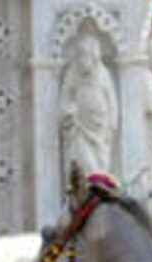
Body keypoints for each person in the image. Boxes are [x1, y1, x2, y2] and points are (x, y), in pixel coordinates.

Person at [59, 30, 118, 174]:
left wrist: (112, 123)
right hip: (79, 126)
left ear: (94, 56)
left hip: (99, 126)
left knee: (99, 165)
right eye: (79, 55)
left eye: (85, 55)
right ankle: (82, 194)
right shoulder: (73, 73)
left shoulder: (103, 73)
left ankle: (98, 192)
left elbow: (111, 101)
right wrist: (68, 112)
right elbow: (65, 98)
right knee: (83, 162)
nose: (82, 61)